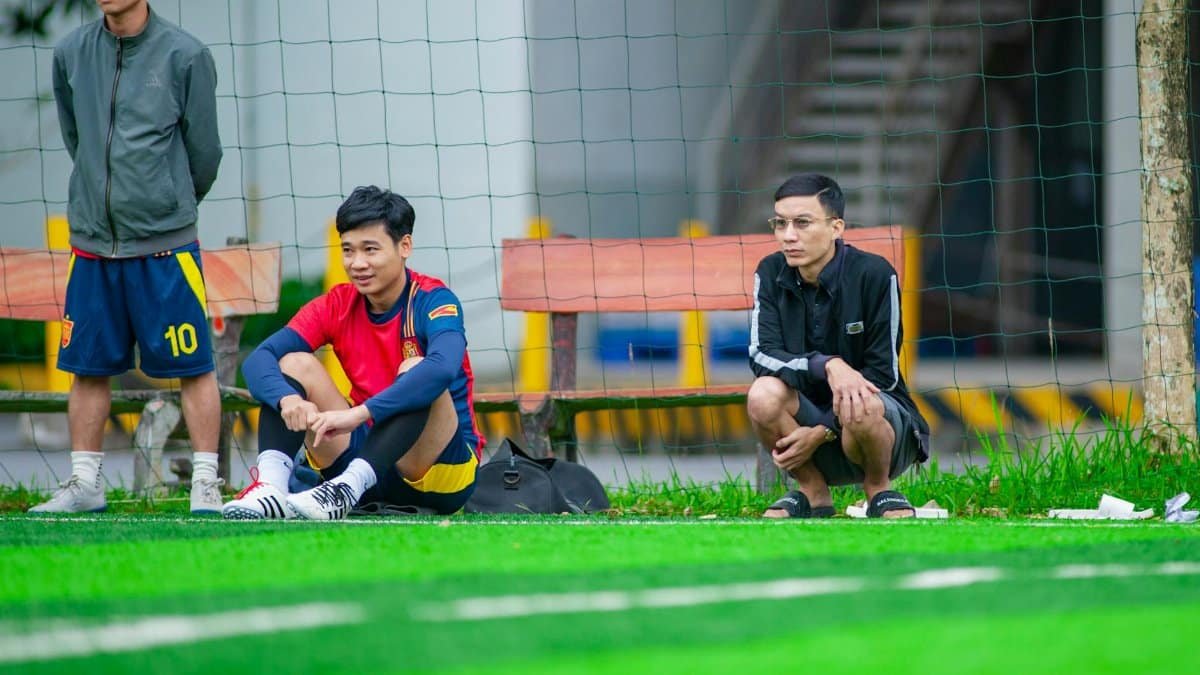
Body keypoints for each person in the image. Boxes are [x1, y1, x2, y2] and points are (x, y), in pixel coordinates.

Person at [31, 0, 224, 513]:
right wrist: (103, 199)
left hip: (166, 246)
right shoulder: (71, 52)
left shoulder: (187, 55)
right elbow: (78, 140)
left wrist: (166, 205)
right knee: (87, 367)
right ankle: (85, 484)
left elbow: (206, 153)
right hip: (92, 245)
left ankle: (206, 484)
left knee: (195, 364)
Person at [223, 186, 484, 520]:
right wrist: (289, 400)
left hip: (436, 474)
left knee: (418, 368)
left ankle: (347, 487)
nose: (357, 263)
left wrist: (358, 413)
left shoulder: (434, 299)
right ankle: (271, 489)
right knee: (293, 363)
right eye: (348, 250)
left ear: (405, 246)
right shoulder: (338, 303)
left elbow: (442, 369)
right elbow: (261, 358)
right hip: (358, 463)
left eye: (370, 250)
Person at [746, 173, 930, 519]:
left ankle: (878, 489)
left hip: (878, 431)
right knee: (762, 393)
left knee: (859, 400)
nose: (788, 236)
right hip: (803, 429)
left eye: (802, 223)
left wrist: (821, 432)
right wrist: (829, 365)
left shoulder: (875, 274)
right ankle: (813, 492)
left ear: (836, 227)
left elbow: (884, 374)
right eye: (780, 223)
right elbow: (761, 354)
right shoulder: (770, 272)